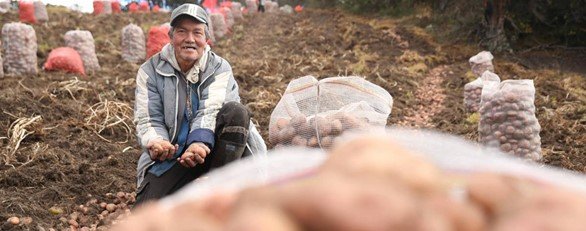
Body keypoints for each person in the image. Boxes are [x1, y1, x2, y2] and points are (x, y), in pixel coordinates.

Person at [133, 3, 266, 206]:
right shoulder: (150, 71)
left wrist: (200, 142)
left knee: (236, 112)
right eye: (182, 32)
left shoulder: (219, 67)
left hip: (218, 153)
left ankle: (220, 191)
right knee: (146, 209)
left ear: (206, 39)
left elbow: (211, 108)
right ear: (171, 36)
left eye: (197, 32)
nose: (190, 39)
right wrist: (157, 141)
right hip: (174, 157)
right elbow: (148, 117)